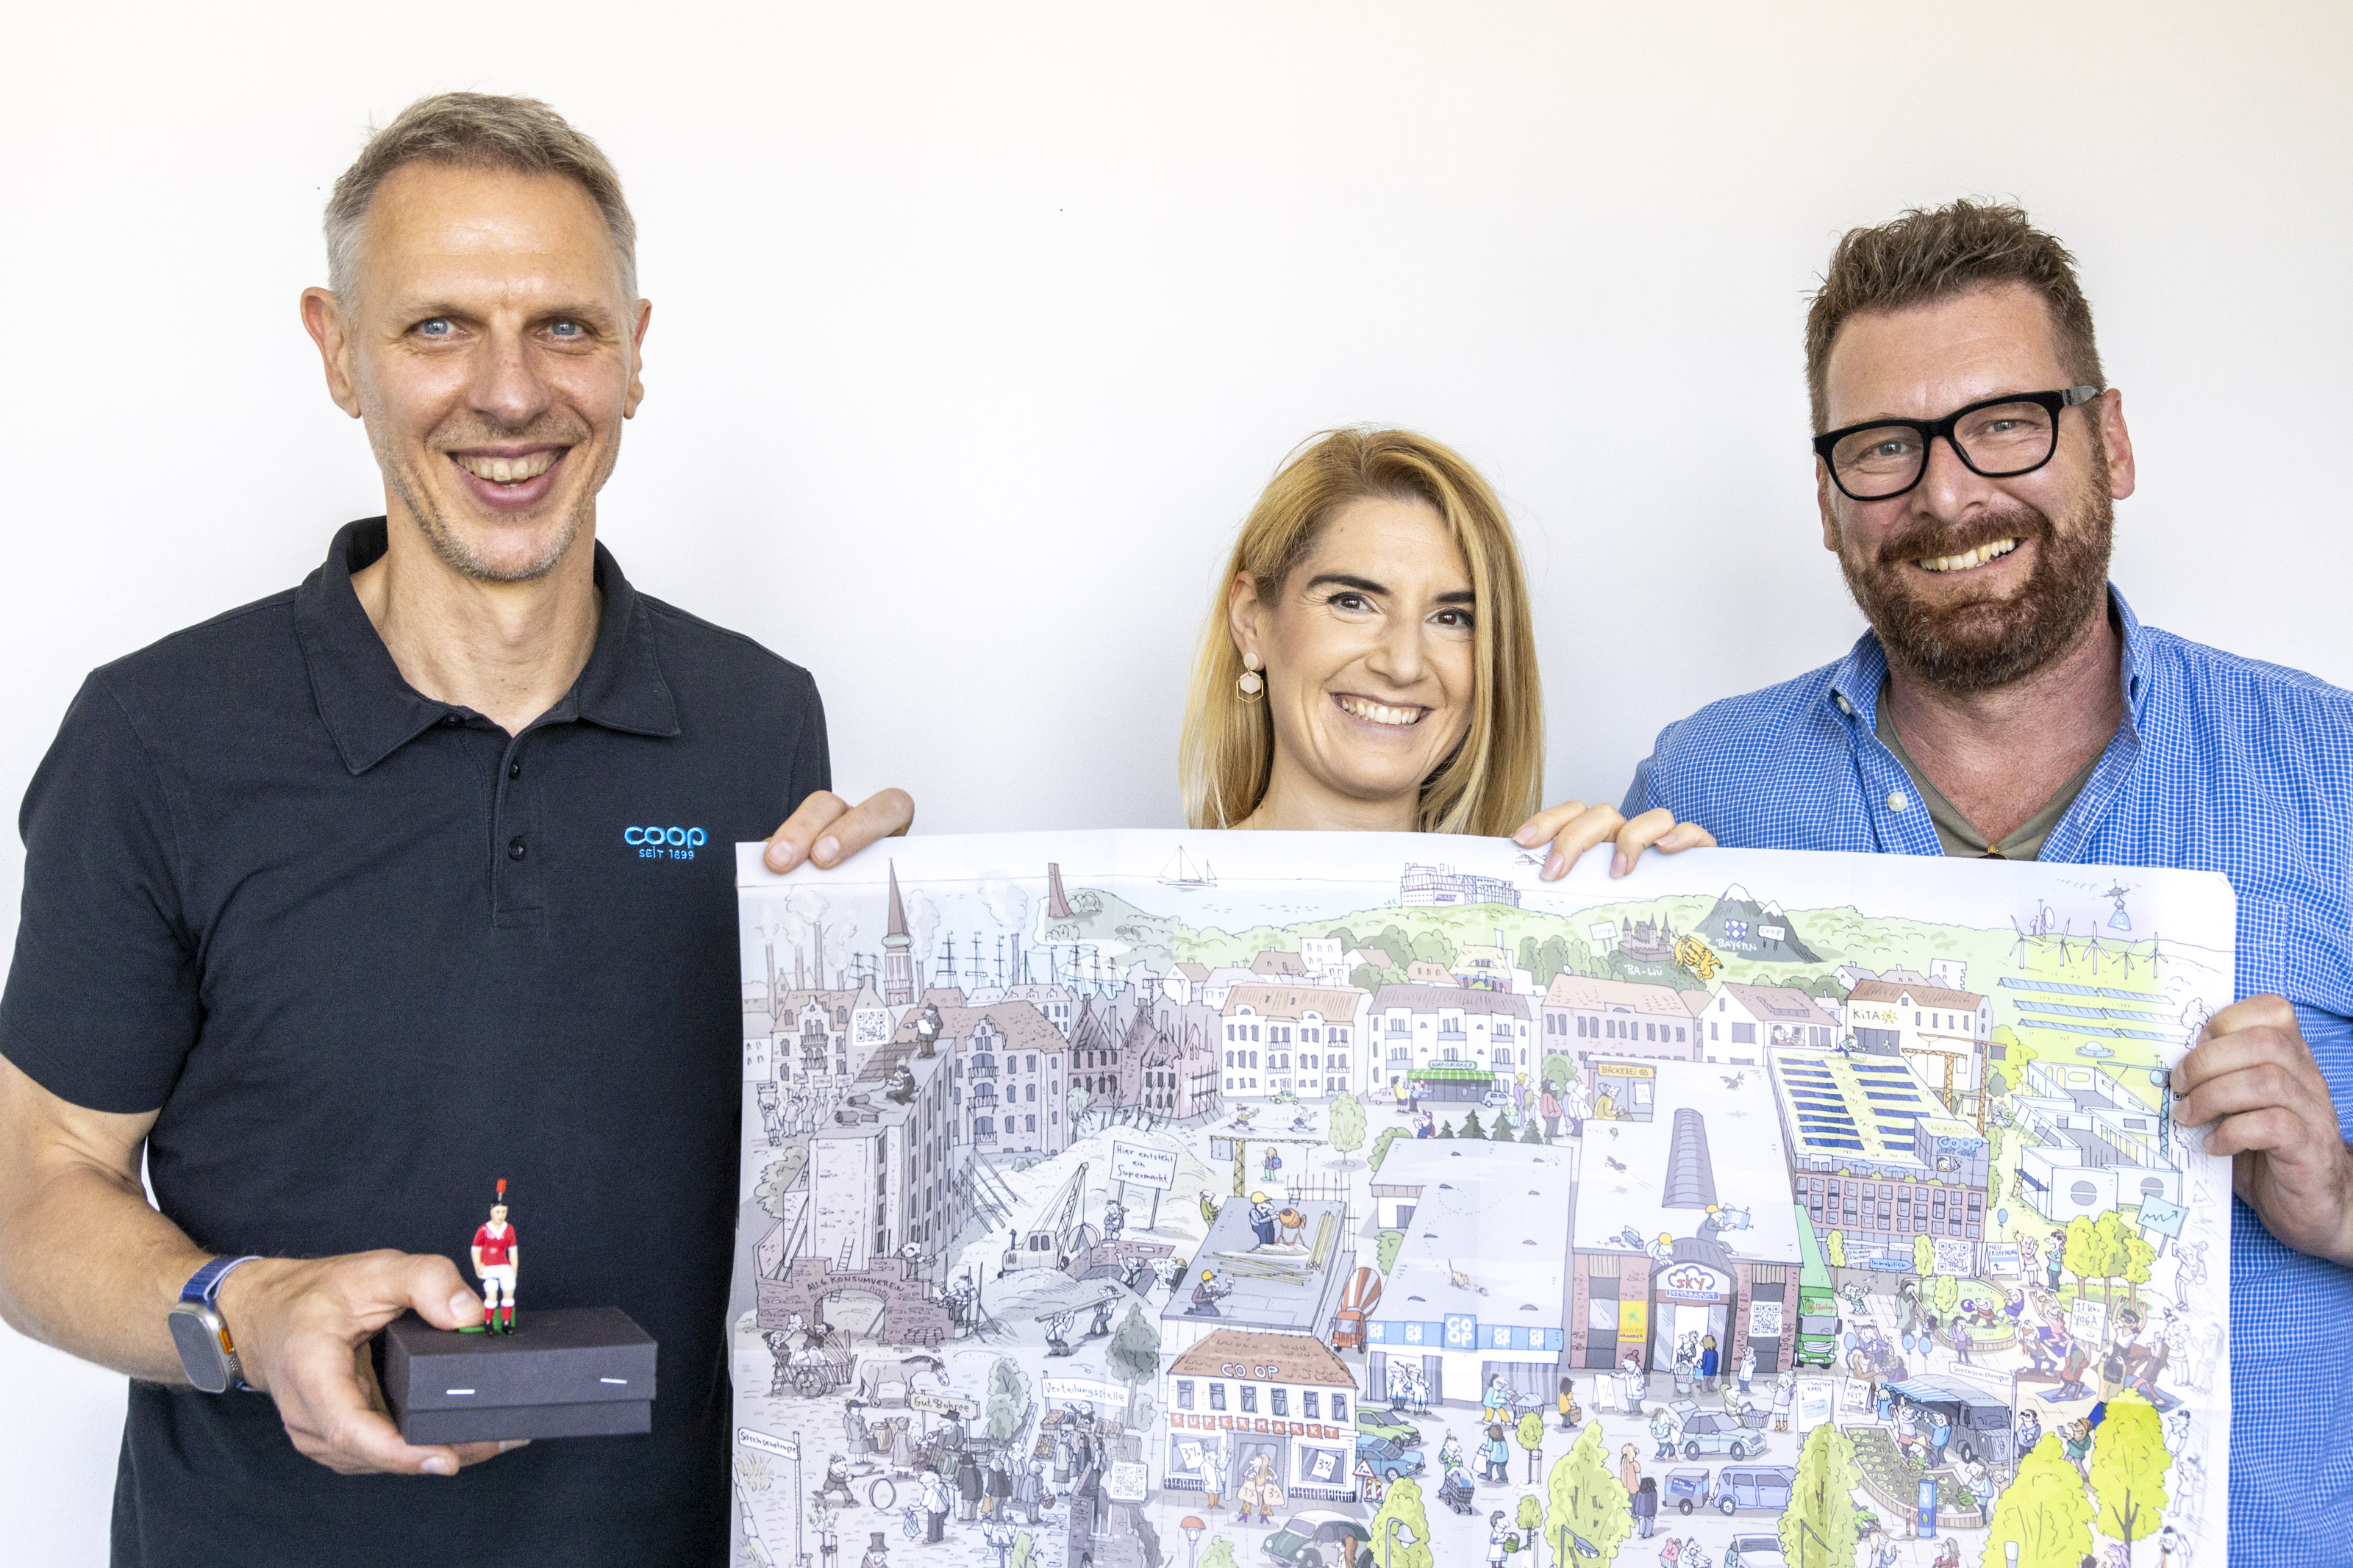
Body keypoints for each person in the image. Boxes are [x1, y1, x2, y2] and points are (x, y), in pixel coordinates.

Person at [0, 93, 917, 1564]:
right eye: (437, 328)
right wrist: (242, 1307)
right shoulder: (159, 736)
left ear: (633, 352)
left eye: (564, 326)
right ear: (336, 350)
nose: (508, 395)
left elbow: (810, 1173)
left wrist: (901, 955)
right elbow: (34, 1177)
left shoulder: (758, 721)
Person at [1621, 198, 2353, 1556]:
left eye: (2004, 421)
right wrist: (1582, 918)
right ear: (1832, 501)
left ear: (2111, 440)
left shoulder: (2336, 771)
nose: (1949, 494)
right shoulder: (1705, 789)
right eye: (1885, 448)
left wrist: (2344, 1196)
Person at [1180, 426, 1713, 870]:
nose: (1404, 664)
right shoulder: (1123, 919)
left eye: (1451, 617)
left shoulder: (1540, 917)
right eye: (1353, 601)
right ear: (1251, 619)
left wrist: (1655, 907)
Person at [1632, 1475, 1659, 1539]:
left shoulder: (1640, 1492)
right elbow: (1654, 1503)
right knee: (1649, 1522)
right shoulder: (1654, 1492)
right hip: (1650, 1512)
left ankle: (1641, 1531)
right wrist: (1654, 1511)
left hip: (1641, 1512)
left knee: (1642, 1521)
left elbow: (1637, 1502)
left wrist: (1636, 1511)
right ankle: (1647, 1534)